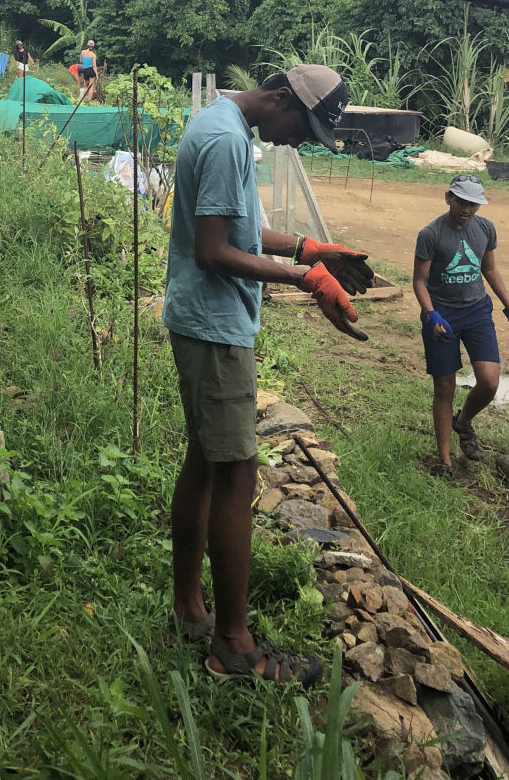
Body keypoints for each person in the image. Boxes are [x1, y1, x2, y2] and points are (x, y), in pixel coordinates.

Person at [165, 66, 371, 686]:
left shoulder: (220, 121)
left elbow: (241, 229)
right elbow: (213, 251)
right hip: (215, 326)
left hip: (202, 320)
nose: (299, 141)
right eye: (301, 128)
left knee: (205, 460)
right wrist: (305, 279)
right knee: (236, 471)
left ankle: (190, 608)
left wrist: (309, 248)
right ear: (281, 98)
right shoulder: (228, 140)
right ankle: (232, 646)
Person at [413, 174, 509, 478]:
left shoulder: (485, 228)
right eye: (462, 202)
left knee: (489, 382)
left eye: (473, 204)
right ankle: (444, 461)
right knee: (445, 385)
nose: (467, 209)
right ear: (448, 198)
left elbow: (489, 269)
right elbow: (419, 281)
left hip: (477, 311)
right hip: (442, 315)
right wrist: (431, 314)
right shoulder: (431, 234)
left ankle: (463, 422)